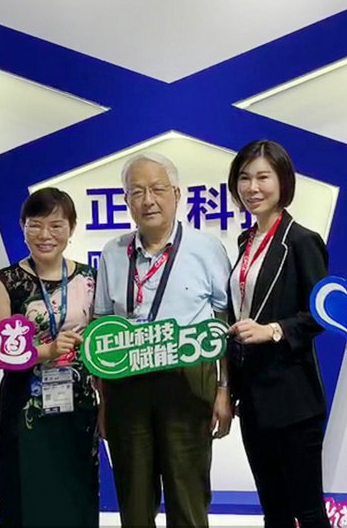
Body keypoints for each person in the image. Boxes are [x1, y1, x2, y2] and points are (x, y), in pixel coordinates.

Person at [94, 152, 233, 527]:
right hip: (126, 384)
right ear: (126, 201)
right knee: (134, 501)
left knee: (188, 496)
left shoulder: (206, 248)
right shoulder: (112, 252)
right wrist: (104, 399)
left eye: (157, 189)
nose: (148, 200)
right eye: (137, 192)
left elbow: (224, 324)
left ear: (176, 194)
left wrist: (224, 390)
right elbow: (101, 325)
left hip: (188, 380)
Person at [225, 140, 332, 528]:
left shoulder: (301, 241)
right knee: (274, 511)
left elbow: (321, 313)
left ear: (283, 181)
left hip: (293, 397)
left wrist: (273, 330)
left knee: (308, 512)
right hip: (253, 396)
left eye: (263, 177)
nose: (253, 188)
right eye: (244, 178)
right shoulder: (246, 241)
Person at [0, 187, 99, 527]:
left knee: (75, 495)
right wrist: (44, 351)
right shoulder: (5, 282)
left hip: (78, 407)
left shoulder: (89, 279)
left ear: (72, 228)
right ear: (22, 227)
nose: (45, 235)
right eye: (35, 225)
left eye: (56, 225)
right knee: (27, 497)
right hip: (25, 409)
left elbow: (102, 345)